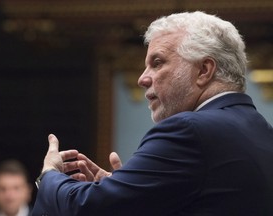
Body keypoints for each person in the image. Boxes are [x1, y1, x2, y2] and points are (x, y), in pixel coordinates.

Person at [31, 11, 273, 216]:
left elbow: (86, 207)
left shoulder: (189, 130)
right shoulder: (261, 130)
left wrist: (49, 177)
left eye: (157, 63)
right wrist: (133, 194)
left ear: (204, 70)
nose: (142, 78)